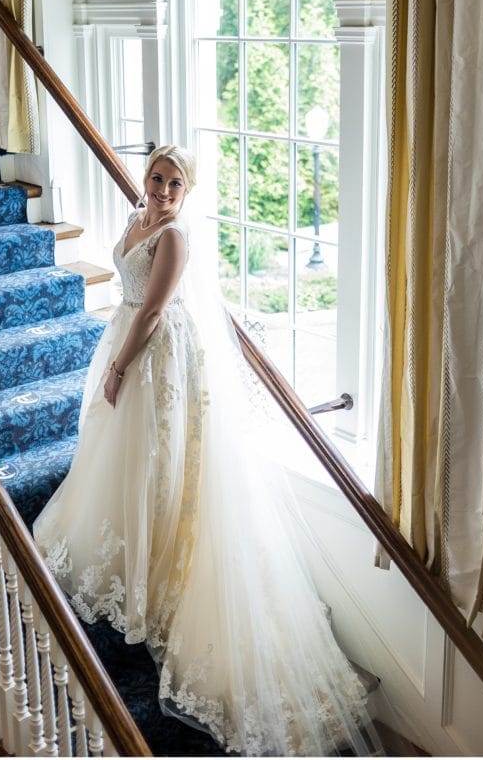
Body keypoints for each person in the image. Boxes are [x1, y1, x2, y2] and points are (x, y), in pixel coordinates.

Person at [34, 146, 385, 757]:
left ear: (186, 191)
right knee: (122, 460)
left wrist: (118, 368)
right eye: (156, 178)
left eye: (175, 183)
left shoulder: (173, 237)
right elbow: (128, 295)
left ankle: (163, 557)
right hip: (126, 336)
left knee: (159, 464)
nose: (164, 189)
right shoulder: (136, 218)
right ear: (144, 180)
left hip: (156, 353)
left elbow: (151, 308)